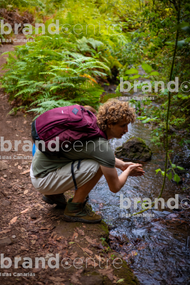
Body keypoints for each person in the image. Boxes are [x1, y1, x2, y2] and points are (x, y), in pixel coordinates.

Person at [30, 99, 145, 223]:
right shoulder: (101, 146)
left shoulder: (89, 122)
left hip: (38, 170)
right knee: (97, 165)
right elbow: (115, 187)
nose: (126, 130)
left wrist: (122, 164)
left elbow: (94, 152)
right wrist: (128, 171)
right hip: (43, 180)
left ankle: (53, 195)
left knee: (96, 159)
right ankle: (75, 209)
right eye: (123, 125)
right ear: (110, 124)